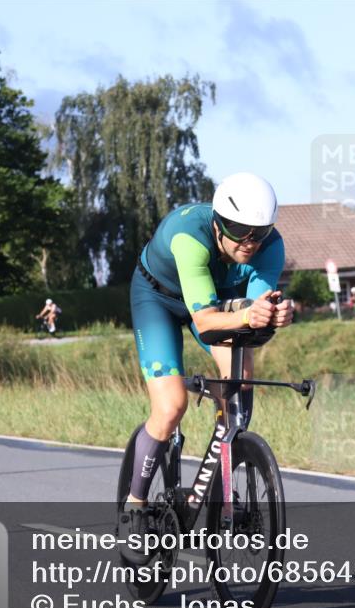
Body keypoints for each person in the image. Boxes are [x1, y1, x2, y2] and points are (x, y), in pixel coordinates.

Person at [123, 172, 294, 528]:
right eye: (237, 229)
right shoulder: (190, 239)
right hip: (159, 300)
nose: (249, 242)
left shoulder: (271, 247)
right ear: (218, 222)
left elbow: (253, 309)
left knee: (241, 380)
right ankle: (134, 506)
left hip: (216, 303)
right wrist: (249, 313)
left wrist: (273, 315)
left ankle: (218, 478)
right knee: (171, 407)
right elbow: (204, 323)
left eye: (259, 232)